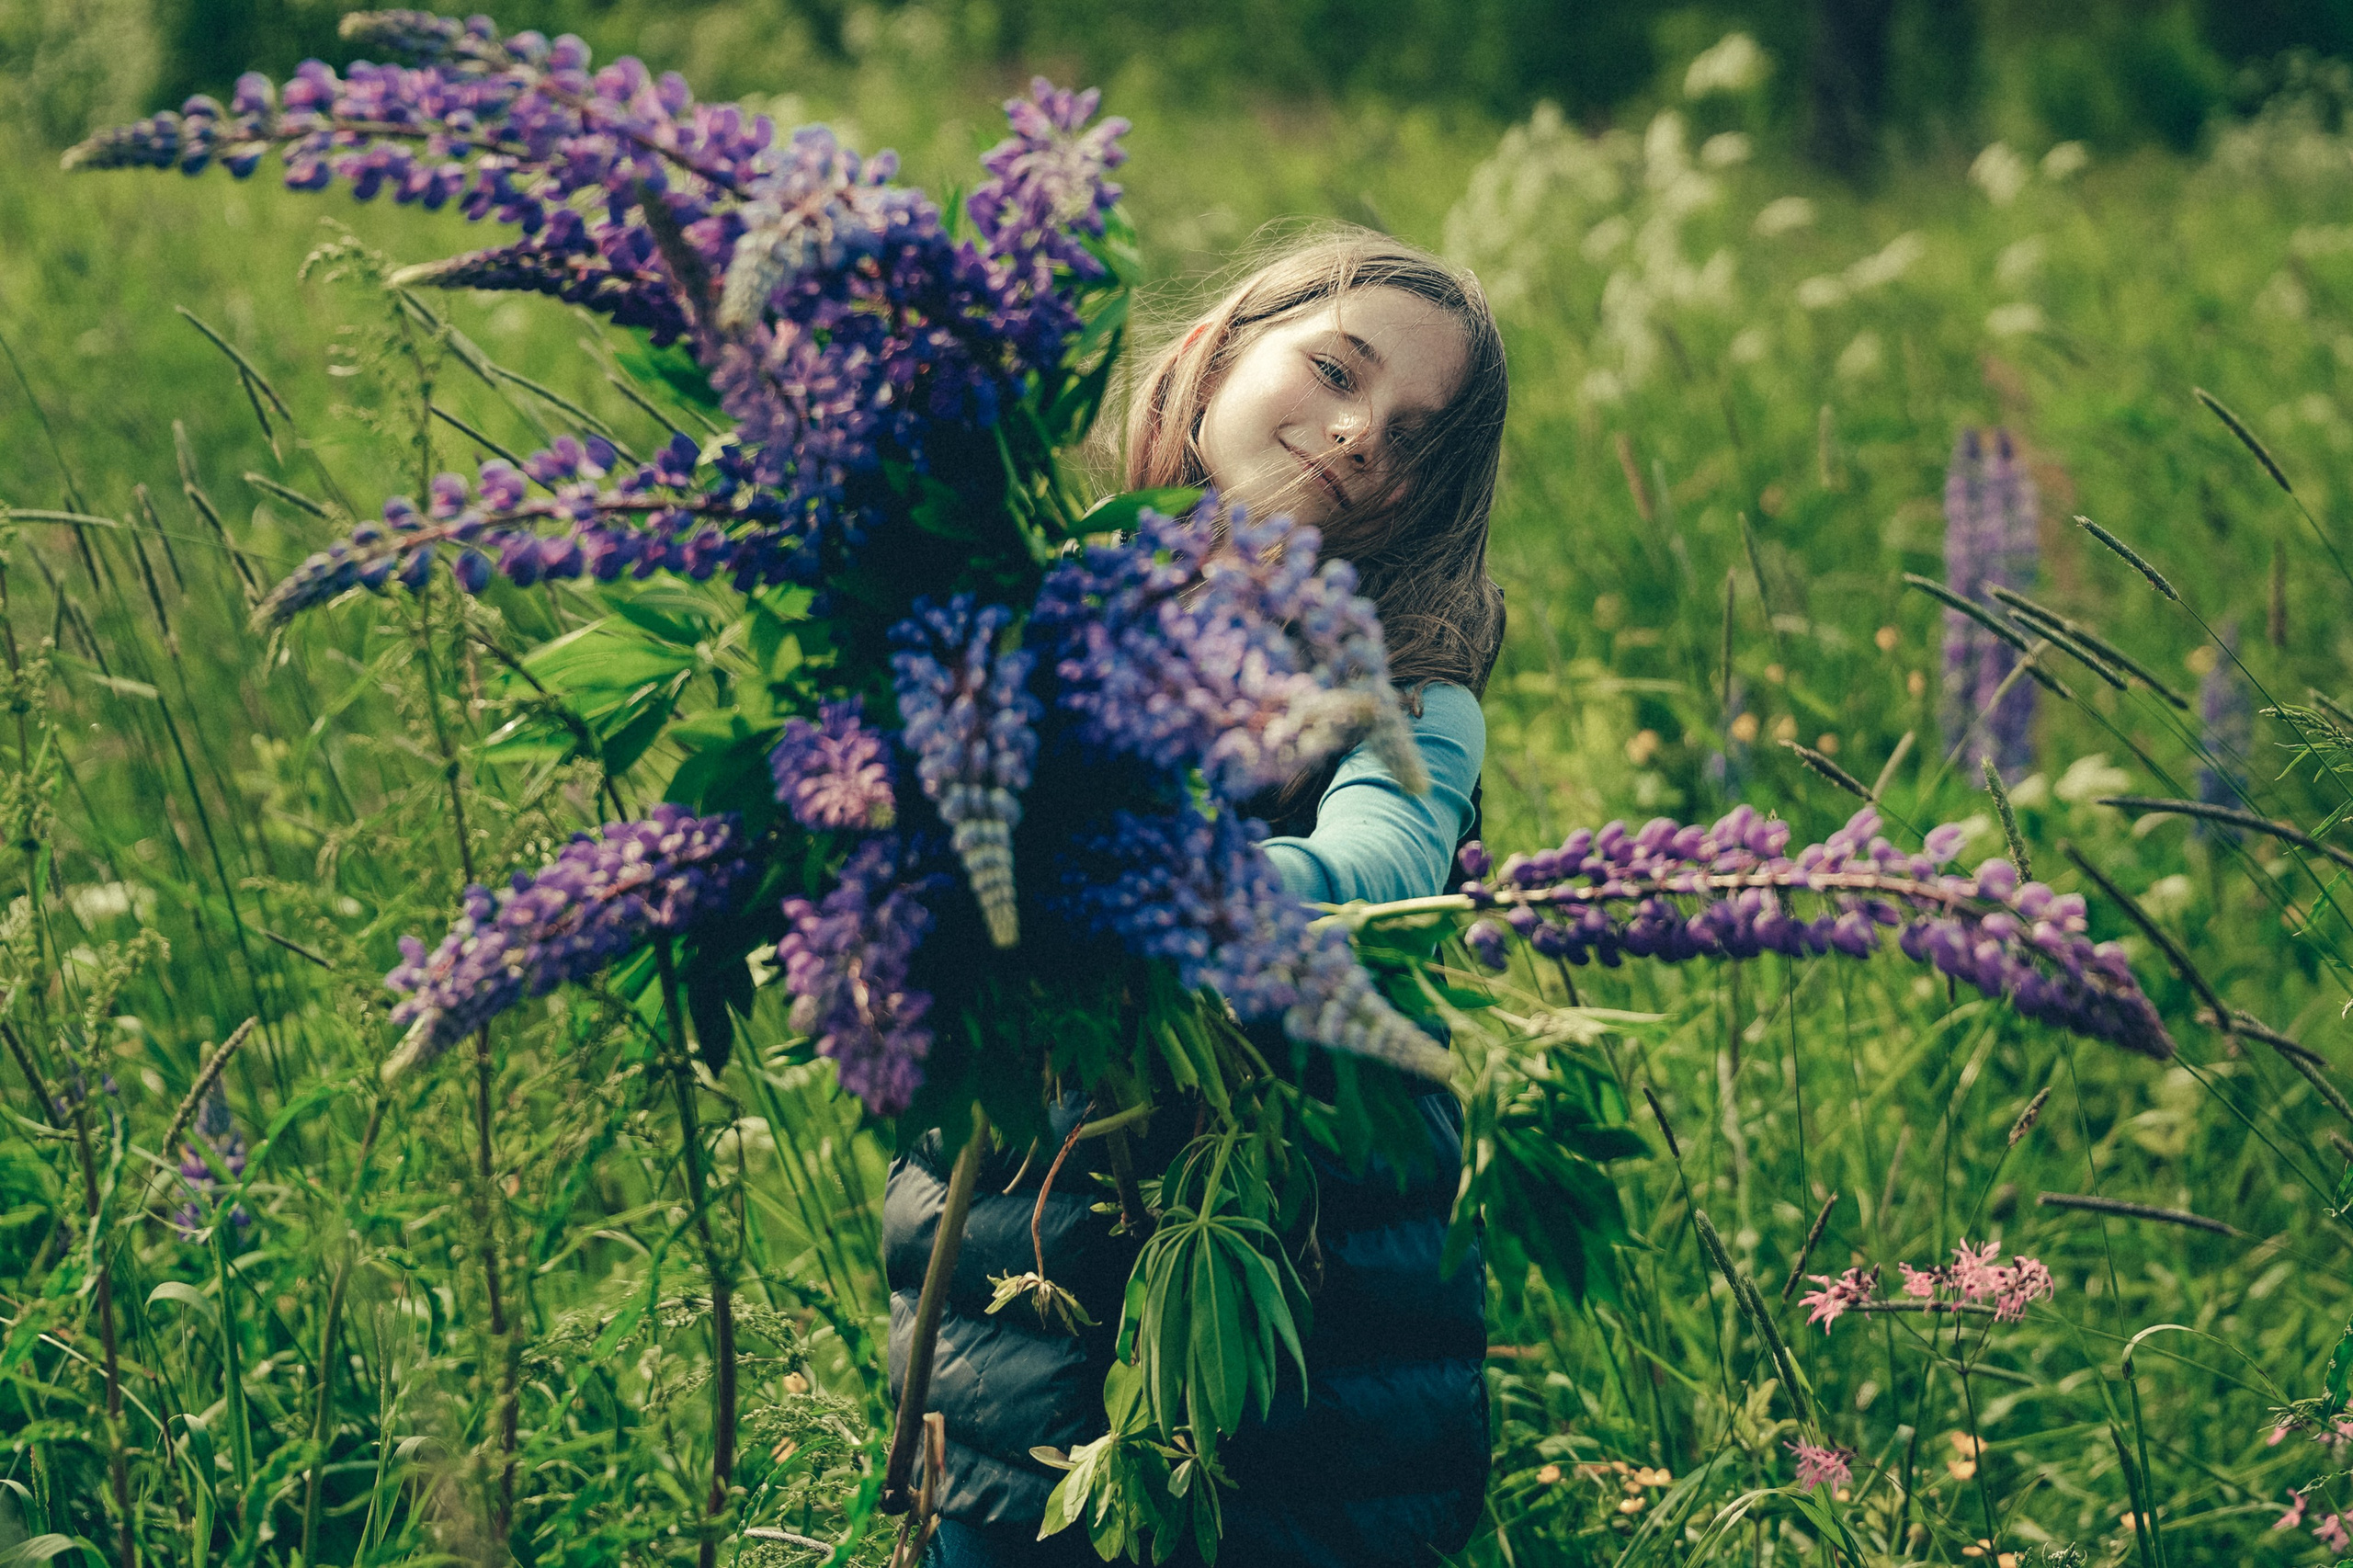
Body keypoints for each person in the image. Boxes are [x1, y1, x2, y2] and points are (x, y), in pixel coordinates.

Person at [885, 226, 1509, 1567]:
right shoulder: (1029, 597)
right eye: (1335, 370)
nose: (1357, 436)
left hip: (1320, 1351)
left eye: (1410, 439)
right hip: (1018, 1324)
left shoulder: (1410, 681)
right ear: (1216, 352)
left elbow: (1380, 873)